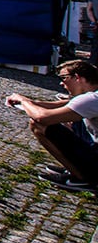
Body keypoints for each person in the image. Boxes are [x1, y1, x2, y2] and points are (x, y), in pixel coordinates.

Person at [6, 60, 98, 191]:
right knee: (67, 119)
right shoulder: (91, 95)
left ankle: (83, 178)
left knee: (38, 125)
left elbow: (42, 117)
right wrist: (30, 102)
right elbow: (62, 105)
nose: (61, 83)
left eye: (64, 78)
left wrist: (23, 100)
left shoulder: (91, 99)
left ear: (77, 78)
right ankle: (76, 167)